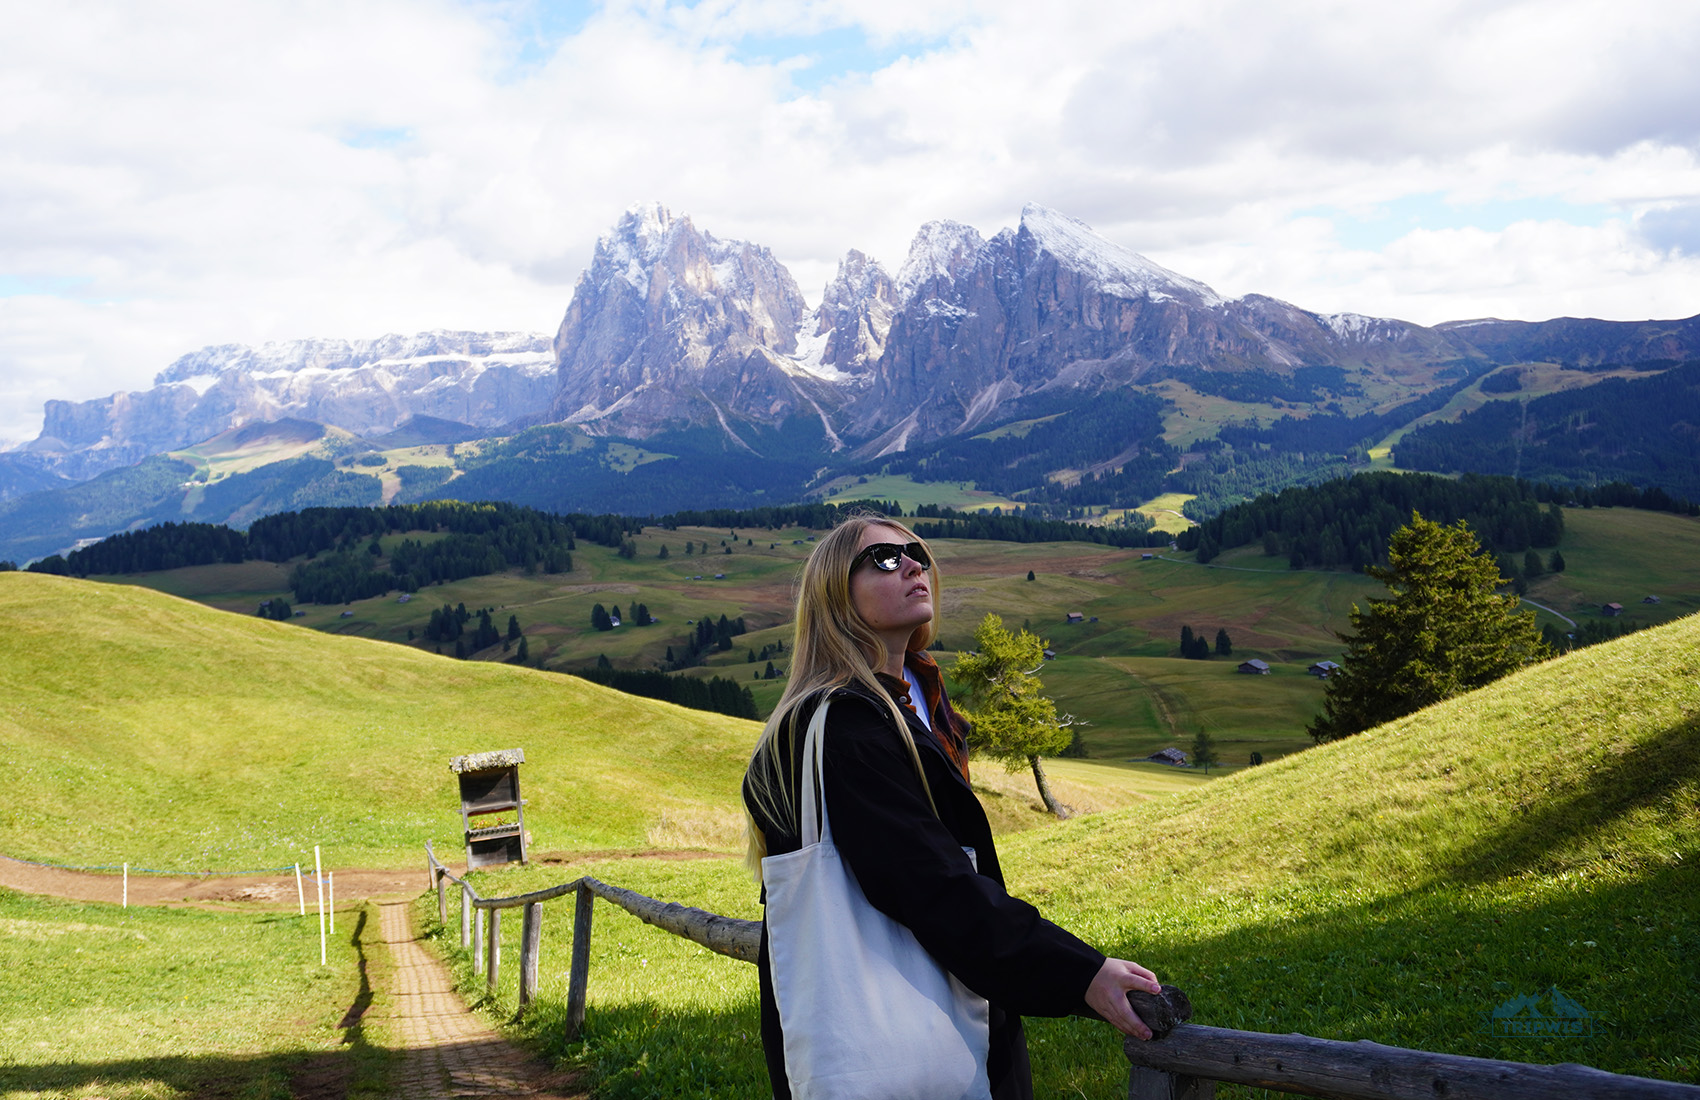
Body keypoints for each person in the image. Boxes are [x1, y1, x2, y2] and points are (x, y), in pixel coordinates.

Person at [742, 514, 1161, 1100]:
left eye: (915, 552)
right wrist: (1080, 975)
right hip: (913, 1042)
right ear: (837, 595)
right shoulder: (846, 728)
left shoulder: (889, 712)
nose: (914, 564)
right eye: (885, 559)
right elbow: (935, 885)